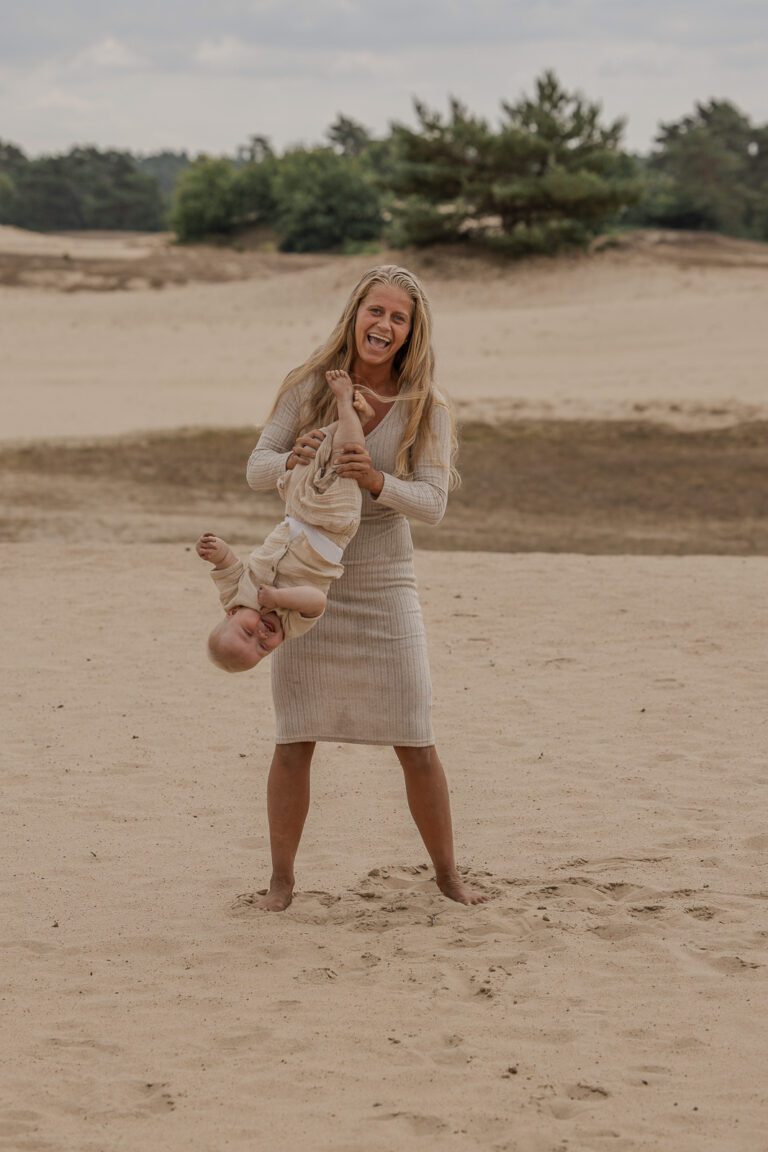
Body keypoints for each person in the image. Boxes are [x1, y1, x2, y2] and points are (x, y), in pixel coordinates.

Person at [246, 264, 488, 910]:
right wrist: (289, 460)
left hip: (384, 583)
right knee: (294, 736)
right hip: (305, 576)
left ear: (411, 333)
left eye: (398, 318)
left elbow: (433, 503)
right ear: (355, 315)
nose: (383, 326)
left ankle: (448, 877)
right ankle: (281, 882)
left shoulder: (425, 409)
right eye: (374, 312)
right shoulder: (307, 387)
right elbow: (256, 465)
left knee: (415, 737)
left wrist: (377, 482)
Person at [196, 371, 373, 671]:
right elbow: (317, 600)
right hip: (331, 525)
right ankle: (346, 402)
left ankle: (356, 419)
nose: (262, 634)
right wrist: (279, 596)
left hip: (298, 515)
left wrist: (215, 552)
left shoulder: (234, 597)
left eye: (248, 632)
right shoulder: (291, 622)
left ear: (231, 615)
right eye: (263, 647)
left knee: (316, 453)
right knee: (344, 461)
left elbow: (229, 567)